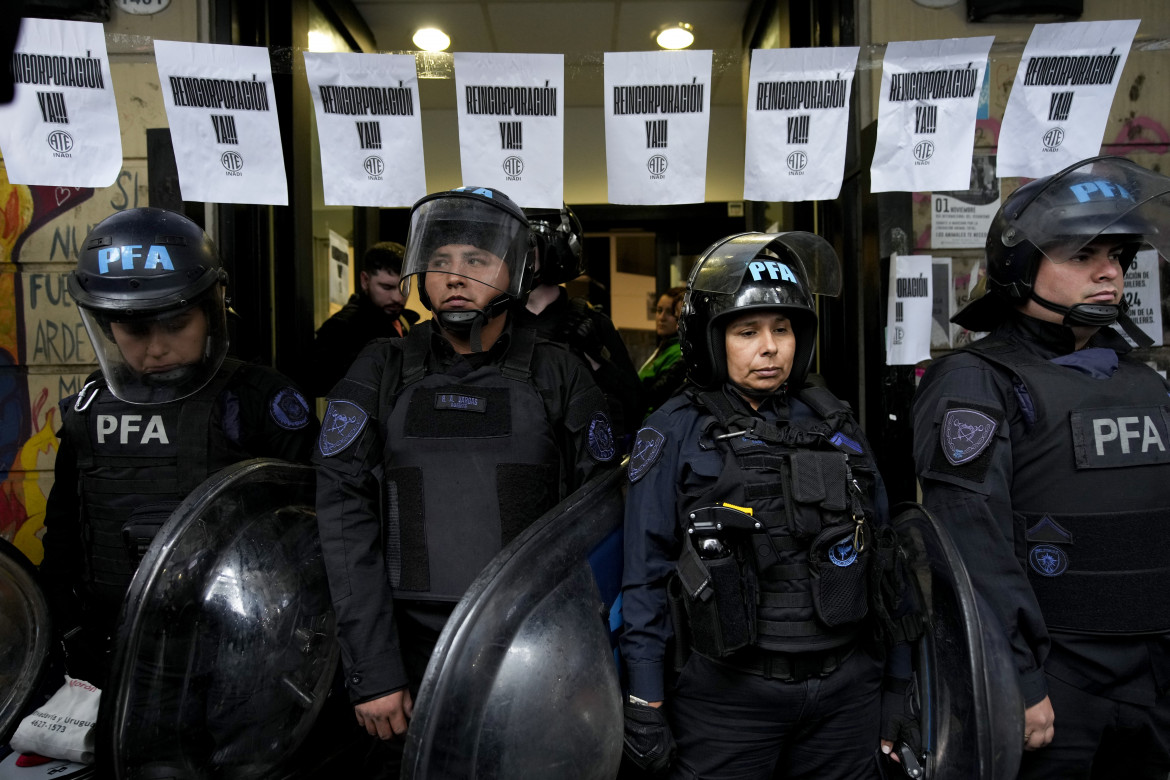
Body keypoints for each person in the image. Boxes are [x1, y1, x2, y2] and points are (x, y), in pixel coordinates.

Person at [313, 186, 616, 749]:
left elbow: (598, 523)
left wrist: (582, 661)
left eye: (476, 261)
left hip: (530, 648)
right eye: (440, 262)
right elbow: (342, 516)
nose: (455, 277)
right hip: (404, 656)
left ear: (515, 272)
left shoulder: (559, 374)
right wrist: (373, 669)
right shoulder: (381, 367)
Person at [912, 155, 1170, 779]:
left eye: (1117, 256)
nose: (1109, 272)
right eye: (1083, 256)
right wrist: (1020, 681)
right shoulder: (977, 381)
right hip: (1057, 686)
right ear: (1022, 267)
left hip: (1154, 678)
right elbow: (974, 548)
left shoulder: (1143, 377)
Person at [621, 232, 906, 779]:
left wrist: (897, 684)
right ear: (710, 340)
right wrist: (645, 699)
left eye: (783, 329)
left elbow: (888, 562)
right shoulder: (673, 431)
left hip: (846, 694)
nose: (770, 347)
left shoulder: (836, 424)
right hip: (726, 699)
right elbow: (646, 574)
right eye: (747, 331)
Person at [39, 207, 318, 685]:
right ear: (108, 326)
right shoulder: (91, 408)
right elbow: (65, 535)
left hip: (236, 654)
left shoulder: (255, 400)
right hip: (112, 652)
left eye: (175, 323)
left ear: (211, 309)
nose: (157, 348)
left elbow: (317, 533)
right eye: (135, 330)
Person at [518, 203, 644, 451]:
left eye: (527, 245)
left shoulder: (594, 323)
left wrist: (596, 358)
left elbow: (636, 406)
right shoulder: (495, 323)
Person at [309, 241, 420, 396]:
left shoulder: (402, 320)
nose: (397, 298)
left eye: (404, 288)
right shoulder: (343, 328)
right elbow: (320, 386)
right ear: (365, 281)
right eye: (386, 287)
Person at [639, 286, 687, 415]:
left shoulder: (679, 351)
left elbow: (651, 396)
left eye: (670, 313)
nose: (662, 317)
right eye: (659, 310)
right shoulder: (663, 348)